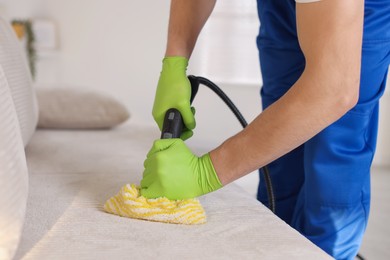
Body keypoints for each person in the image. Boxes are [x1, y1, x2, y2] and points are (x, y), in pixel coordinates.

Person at [140, 0, 390, 259]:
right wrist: (175, 61)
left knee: (332, 158)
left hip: (354, 10)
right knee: (280, 154)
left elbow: (334, 90)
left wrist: (205, 173)